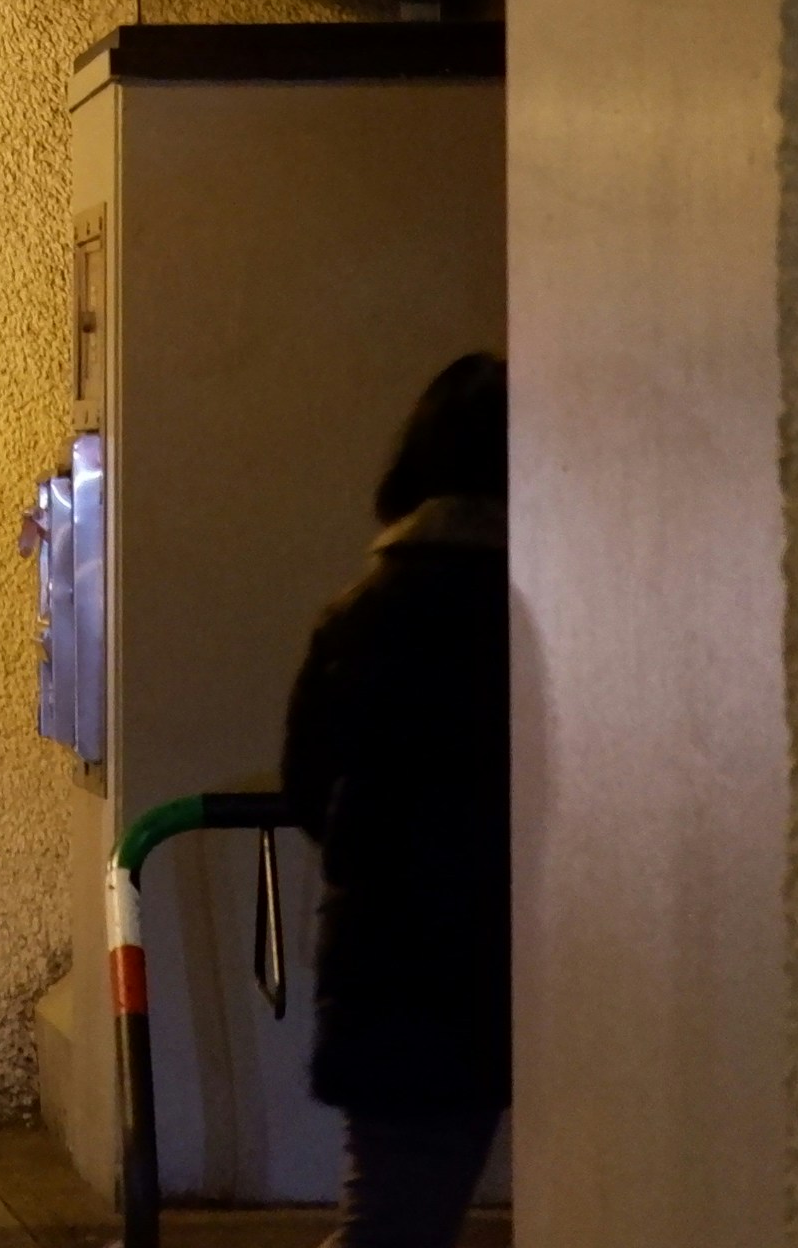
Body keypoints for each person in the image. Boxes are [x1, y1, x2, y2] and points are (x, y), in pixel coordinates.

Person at [279, 354, 511, 1248]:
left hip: (393, 960)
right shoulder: (547, 613)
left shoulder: (362, 615)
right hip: (532, 956)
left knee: (392, 1215)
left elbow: (309, 786)